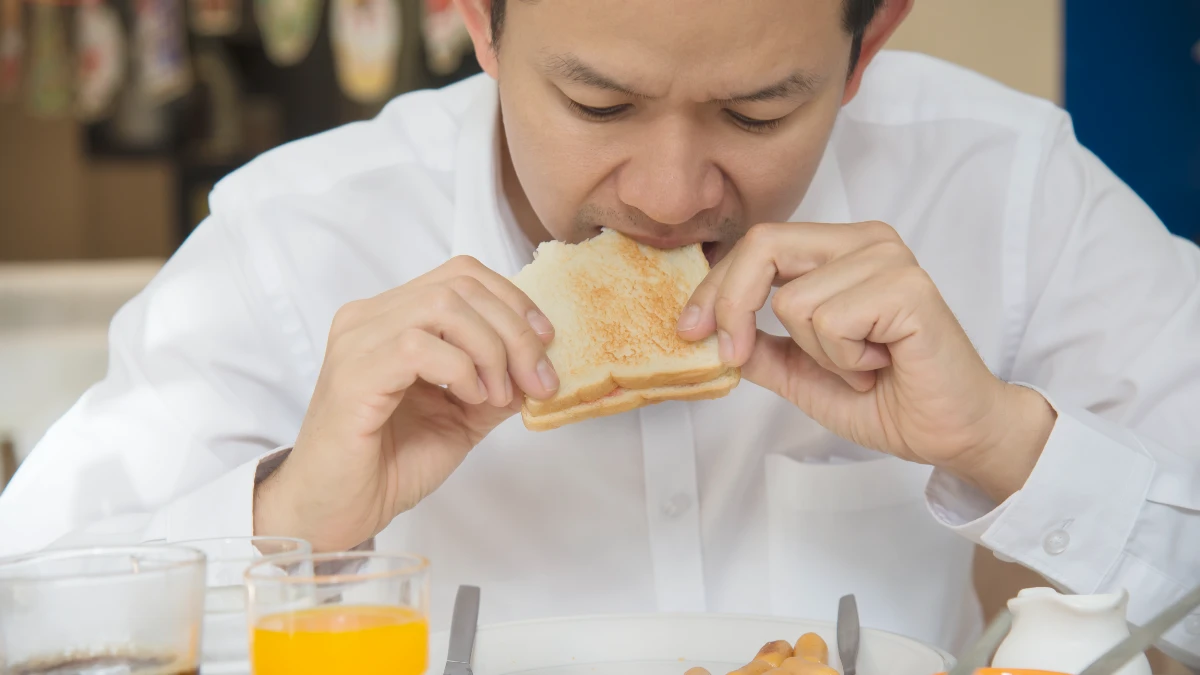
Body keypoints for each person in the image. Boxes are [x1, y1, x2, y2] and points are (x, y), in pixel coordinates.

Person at [1, 0, 1198, 663]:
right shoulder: (292, 237)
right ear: (476, 20)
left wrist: (1004, 443)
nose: (671, 195)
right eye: (598, 103)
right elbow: (28, 616)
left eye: (759, 109)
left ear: (868, 43)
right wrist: (298, 511)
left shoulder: (1009, 183)